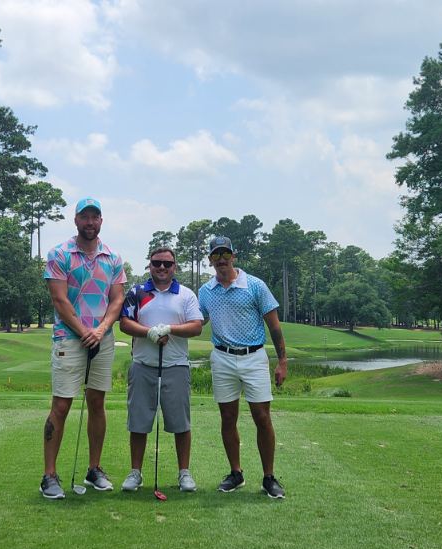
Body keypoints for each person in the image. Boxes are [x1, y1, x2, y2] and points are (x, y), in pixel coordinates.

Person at [40, 197, 126, 500]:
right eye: (84, 217)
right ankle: (49, 475)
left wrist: (100, 331)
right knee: (61, 405)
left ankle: (94, 469)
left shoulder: (113, 258)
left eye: (95, 217)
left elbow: (117, 300)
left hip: (101, 340)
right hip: (68, 338)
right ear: (75, 220)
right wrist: (84, 332)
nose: (90, 222)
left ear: (101, 221)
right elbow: (59, 300)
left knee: (97, 403)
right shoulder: (60, 254)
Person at [198, 235, 288, 499]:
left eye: (226, 254)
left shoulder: (255, 286)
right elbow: (196, 321)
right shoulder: (206, 291)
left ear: (234, 256)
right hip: (222, 358)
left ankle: (269, 476)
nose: (222, 260)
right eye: (216, 255)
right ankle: (236, 473)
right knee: (227, 417)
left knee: (262, 416)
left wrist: (282, 362)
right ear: (211, 260)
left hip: (254, 357)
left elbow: (274, 326)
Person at [119, 248, 204, 493]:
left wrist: (169, 329)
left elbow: (196, 326)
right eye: (157, 263)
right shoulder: (138, 292)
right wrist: (149, 332)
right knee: (138, 421)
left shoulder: (185, 295)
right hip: (143, 365)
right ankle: (135, 472)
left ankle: (184, 472)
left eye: (167, 263)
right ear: (150, 265)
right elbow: (125, 322)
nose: (162, 268)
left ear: (174, 266)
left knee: (180, 422)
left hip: (175, 366)